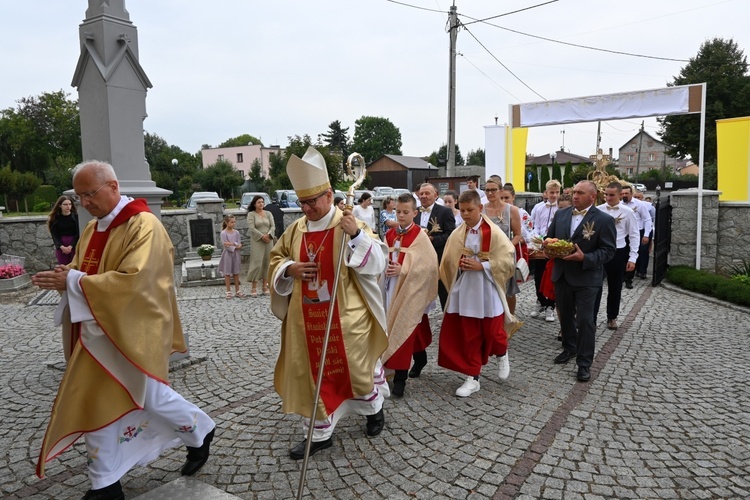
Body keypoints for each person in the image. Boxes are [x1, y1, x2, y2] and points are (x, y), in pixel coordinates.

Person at [31, 160, 215, 500]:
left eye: (90, 193)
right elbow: (83, 268)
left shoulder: (144, 225)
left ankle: (200, 430)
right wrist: (64, 276)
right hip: (95, 333)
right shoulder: (93, 228)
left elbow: (137, 282)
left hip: (133, 330)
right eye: (79, 195)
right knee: (96, 400)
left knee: (151, 396)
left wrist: (72, 281)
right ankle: (105, 483)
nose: (85, 202)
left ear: (113, 187)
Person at [268, 147, 389, 460]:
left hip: (345, 316)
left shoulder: (348, 225)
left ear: (329, 194)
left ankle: (373, 410)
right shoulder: (296, 230)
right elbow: (277, 258)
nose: (306, 208)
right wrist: (289, 269)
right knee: (313, 374)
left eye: (312, 201)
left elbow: (377, 262)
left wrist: (357, 238)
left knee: (354, 371)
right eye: (302, 202)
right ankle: (320, 433)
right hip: (304, 317)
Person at [437, 190, 520, 397]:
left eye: (470, 210)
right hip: (466, 289)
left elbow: (508, 260)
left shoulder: (494, 232)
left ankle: (501, 352)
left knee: (493, 332)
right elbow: (447, 259)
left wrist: (481, 266)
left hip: (487, 288)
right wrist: (458, 264)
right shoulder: (458, 232)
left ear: (480, 208)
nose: (465, 214)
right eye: (462, 210)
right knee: (470, 335)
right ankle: (472, 377)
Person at [546, 180, 616, 382]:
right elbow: (550, 238)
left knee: (586, 321)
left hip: (587, 278)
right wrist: (547, 247)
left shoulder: (604, 220)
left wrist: (585, 258)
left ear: (593, 197)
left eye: (580, 193)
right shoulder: (561, 214)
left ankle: (584, 363)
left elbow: (608, 251)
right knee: (565, 316)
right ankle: (570, 347)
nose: (574, 196)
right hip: (562, 275)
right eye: (573, 191)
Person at [381, 193, 438, 397]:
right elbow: (383, 257)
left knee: (404, 328)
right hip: (391, 288)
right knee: (410, 328)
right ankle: (420, 357)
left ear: (415, 213)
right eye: (398, 211)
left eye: (406, 212)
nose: (401, 215)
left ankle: (399, 379)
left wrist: (403, 270)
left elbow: (430, 267)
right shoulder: (390, 234)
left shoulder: (420, 236)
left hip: (412, 289)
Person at [594, 182, 639, 330]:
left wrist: (633, 257)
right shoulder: (598, 210)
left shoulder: (628, 212)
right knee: (594, 286)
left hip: (618, 252)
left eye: (612, 195)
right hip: (600, 252)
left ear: (620, 195)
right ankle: (591, 318)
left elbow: (634, 235)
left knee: (615, 287)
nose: (608, 198)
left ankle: (612, 317)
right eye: (606, 194)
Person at [482, 178, 523, 315]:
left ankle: (510, 317)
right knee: (489, 287)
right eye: (487, 190)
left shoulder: (512, 210)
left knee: (508, 289)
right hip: (486, 254)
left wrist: (506, 247)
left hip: (505, 254)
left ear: (500, 191)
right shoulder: (481, 209)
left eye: (493, 190)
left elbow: (517, 235)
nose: (490, 193)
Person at [530, 180, 562, 322]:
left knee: (552, 276)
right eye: (551, 192)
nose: (554, 195)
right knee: (539, 275)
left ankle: (551, 305)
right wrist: (537, 237)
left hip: (555, 246)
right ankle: (540, 301)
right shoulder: (538, 207)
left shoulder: (561, 208)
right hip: (540, 245)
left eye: (556, 192)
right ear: (546, 193)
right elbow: (535, 225)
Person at [621, 185, 652, 287]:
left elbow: (647, 219)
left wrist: (646, 234)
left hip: (637, 232)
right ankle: (622, 276)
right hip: (624, 233)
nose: (624, 195)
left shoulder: (639, 205)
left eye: (626, 193)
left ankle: (630, 278)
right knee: (623, 255)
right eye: (622, 193)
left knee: (634, 254)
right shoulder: (620, 204)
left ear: (631, 194)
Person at [246, 195, 275, 297]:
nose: (261, 204)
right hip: (257, 241)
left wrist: (269, 235)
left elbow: (273, 226)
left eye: (262, 202)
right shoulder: (251, 214)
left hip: (268, 240)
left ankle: (264, 286)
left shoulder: (268, 213)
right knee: (257, 262)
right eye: (259, 202)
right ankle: (253, 288)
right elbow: (252, 228)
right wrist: (262, 236)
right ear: (254, 204)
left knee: (267, 262)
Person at [48, 195, 80, 265]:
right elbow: (54, 235)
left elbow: (78, 233)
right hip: (61, 245)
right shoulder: (55, 219)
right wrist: (61, 247)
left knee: (75, 266)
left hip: (74, 244)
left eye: (69, 204)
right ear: (60, 205)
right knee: (63, 266)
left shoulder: (76, 217)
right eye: (65, 204)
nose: (68, 206)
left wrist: (71, 246)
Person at [218, 214, 244, 298]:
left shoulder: (236, 232)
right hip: (227, 255)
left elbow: (239, 244)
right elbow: (226, 245)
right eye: (231, 222)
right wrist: (235, 245)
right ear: (226, 222)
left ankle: (238, 290)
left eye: (234, 222)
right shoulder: (223, 233)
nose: (233, 224)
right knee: (227, 273)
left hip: (236, 255)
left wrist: (233, 244)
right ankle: (228, 291)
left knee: (236, 272)